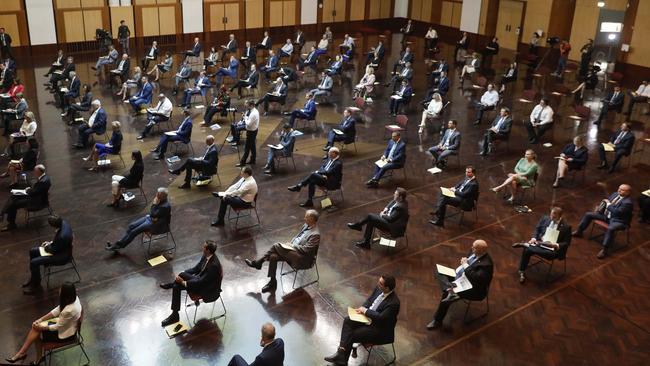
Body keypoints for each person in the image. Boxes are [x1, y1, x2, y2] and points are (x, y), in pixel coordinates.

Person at [324, 275, 400, 365]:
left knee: (352, 334)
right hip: (367, 318)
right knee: (348, 320)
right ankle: (341, 354)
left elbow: (381, 318)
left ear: (387, 288)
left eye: (380, 283)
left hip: (379, 329)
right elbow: (370, 300)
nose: (378, 284)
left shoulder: (394, 303)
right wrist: (362, 308)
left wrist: (366, 311)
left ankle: (341, 359)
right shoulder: (379, 289)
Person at [244, 210, 320, 292]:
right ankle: (273, 282)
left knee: (276, 245)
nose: (304, 218)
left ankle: (259, 262)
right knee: (273, 256)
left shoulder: (315, 234)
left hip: (303, 258)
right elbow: (297, 237)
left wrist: (292, 246)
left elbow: (306, 250)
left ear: (312, 219)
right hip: (293, 251)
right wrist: (290, 244)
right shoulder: (306, 225)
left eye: (306, 217)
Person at [5, 282, 81, 364]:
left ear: (65, 294)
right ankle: (25, 354)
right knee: (36, 328)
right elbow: (57, 310)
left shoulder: (68, 311)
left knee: (36, 331)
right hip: (66, 324)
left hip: (65, 334)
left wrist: (41, 328)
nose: (59, 290)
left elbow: (57, 326)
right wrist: (40, 320)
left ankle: (27, 355)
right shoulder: (74, 298)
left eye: (61, 289)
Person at [427, 240, 493, 330]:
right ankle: (449, 288)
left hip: (472, 288)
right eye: (472, 246)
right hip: (459, 277)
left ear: (481, 251)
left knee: (445, 296)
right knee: (439, 271)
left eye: (474, 247)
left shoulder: (486, 265)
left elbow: (476, 278)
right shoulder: (474, 252)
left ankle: (437, 320)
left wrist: (465, 265)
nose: (471, 248)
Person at [160, 240, 223, 326]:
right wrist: (184, 272)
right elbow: (196, 269)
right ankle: (175, 315)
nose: (202, 248)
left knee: (179, 280)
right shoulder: (206, 256)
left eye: (204, 247)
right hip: (199, 280)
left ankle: (172, 286)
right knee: (176, 286)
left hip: (206, 289)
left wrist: (182, 281)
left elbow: (201, 282)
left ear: (208, 250)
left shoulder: (214, 266)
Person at [512, 207, 572, 283]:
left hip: (553, 249)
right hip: (540, 243)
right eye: (551, 215)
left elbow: (567, 242)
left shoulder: (566, 227)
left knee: (545, 252)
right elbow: (537, 229)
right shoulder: (545, 218)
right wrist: (534, 238)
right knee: (527, 250)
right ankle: (522, 271)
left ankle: (527, 245)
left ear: (560, 216)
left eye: (554, 217)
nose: (551, 218)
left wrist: (556, 245)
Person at [573, 184, 633, 258]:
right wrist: (599, 208)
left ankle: (605, 249)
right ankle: (579, 231)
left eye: (622, 190)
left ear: (627, 193)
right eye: (619, 188)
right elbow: (606, 202)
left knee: (611, 228)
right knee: (588, 214)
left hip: (618, 220)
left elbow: (616, 212)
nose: (619, 190)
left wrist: (608, 204)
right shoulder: (615, 194)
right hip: (606, 216)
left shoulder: (627, 203)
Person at [105, 187, 171, 251]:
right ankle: (119, 242)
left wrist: (154, 204)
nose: (156, 194)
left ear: (161, 196)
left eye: (158, 193)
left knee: (134, 232)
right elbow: (153, 215)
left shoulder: (164, 206)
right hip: (150, 219)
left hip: (155, 224)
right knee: (131, 226)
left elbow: (153, 214)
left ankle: (119, 245)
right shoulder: (160, 200)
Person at [23, 216, 73, 294]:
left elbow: (53, 250)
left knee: (34, 262)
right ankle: (34, 277)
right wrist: (50, 243)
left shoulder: (62, 236)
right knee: (32, 251)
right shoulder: (63, 223)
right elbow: (56, 245)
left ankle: (36, 286)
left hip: (61, 256)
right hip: (59, 248)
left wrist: (46, 246)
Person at [0, 164, 51, 231]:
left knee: (13, 204)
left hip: (37, 201)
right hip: (36, 197)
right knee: (14, 196)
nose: (34, 172)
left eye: (35, 171)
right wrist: (29, 189)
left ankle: (10, 223)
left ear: (39, 171)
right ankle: (2, 214)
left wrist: (28, 190)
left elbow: (33, 192)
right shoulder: (44, 177)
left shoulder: (42, 182)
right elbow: (36, 190)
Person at [233, 100, 259, 166]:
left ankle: (242, 162)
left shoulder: (254, 113)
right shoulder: (251, 111)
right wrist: (246, 117)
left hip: (251, 132)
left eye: (248, 106)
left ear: (252, 105)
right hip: (252, 131)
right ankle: (253, 160)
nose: (247, 107)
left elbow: (248, 124)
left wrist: (245, 117)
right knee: (253, 147)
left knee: (247, 148)